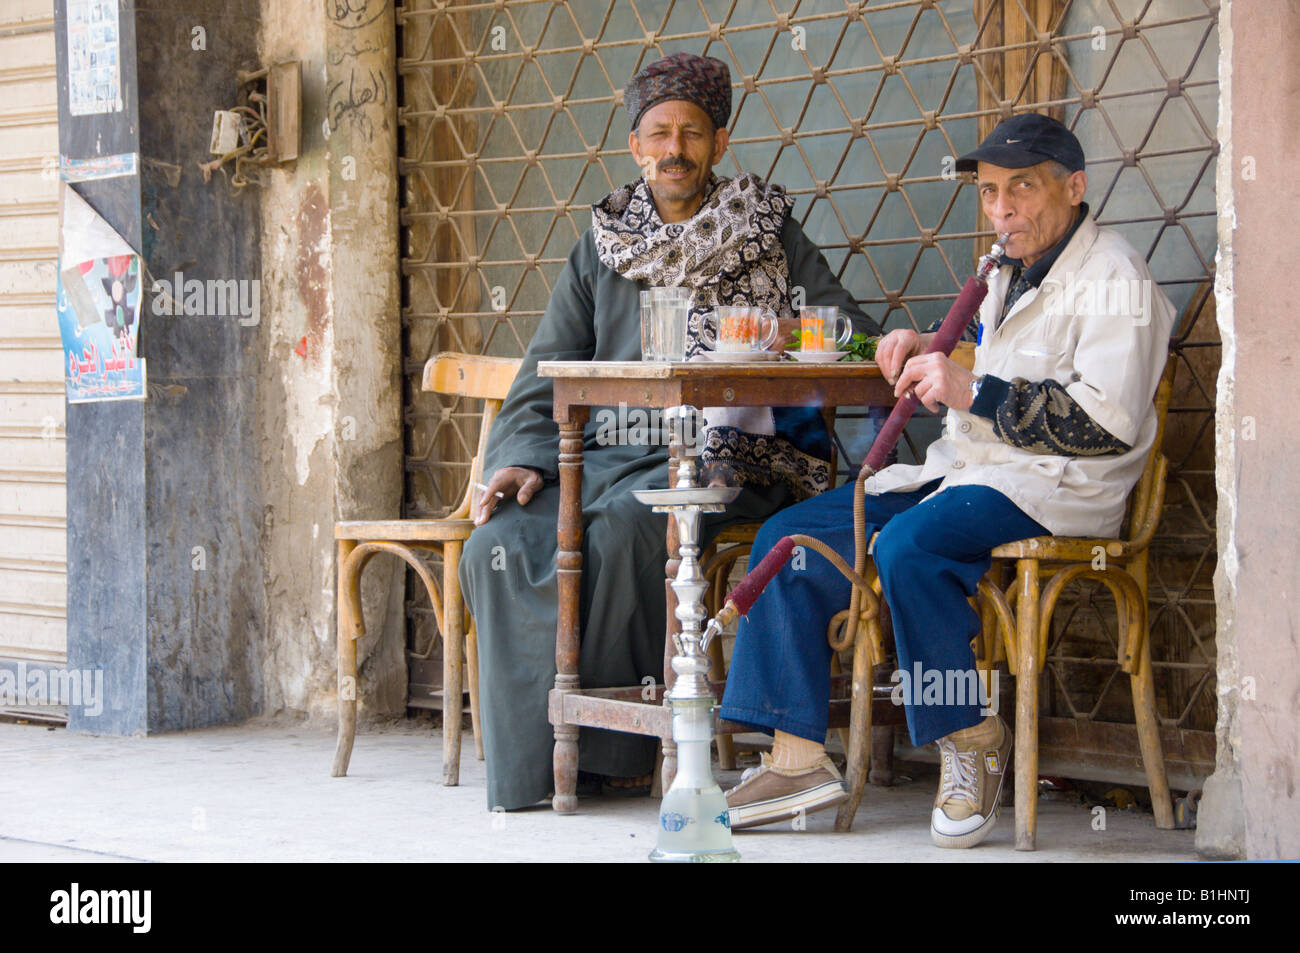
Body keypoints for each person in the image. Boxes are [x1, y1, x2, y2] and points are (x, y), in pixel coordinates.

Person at [719, 112, 1175, 848]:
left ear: (1075, 187)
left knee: (908, 548)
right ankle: (798, 759)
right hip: (971, 471)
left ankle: (970, 733)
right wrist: (927, 345)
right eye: (990, 194)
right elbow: (1002, 360)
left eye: (1020, 189)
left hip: (1057, 485)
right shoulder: (1009, 271)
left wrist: (970, 392)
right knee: (791, 535)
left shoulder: (1114, 277)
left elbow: (1104, 424)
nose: (1001, 211)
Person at [459, 52, 878, 812]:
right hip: (606, 454)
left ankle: (618, 756)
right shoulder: (603, 242)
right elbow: (542, 371)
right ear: (635, 147)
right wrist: (520, 459)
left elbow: (853, 335)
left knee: (624, 530)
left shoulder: (768, 230)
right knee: (498, 543)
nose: (674, 149)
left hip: (733, 459)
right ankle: (535, 765)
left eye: (691, 133)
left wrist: (790, 332)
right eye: (658, 134)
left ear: (719, 144)